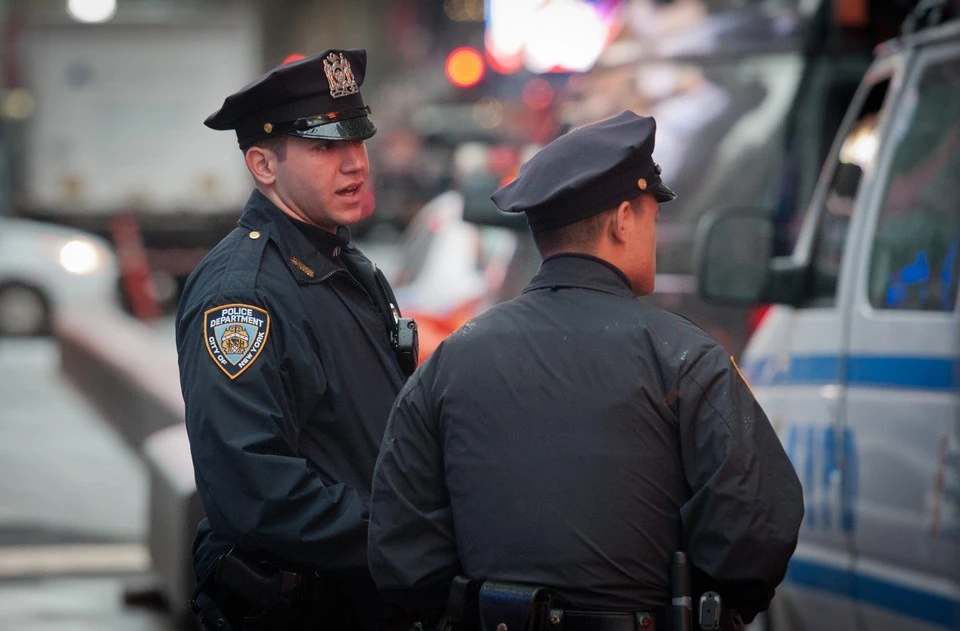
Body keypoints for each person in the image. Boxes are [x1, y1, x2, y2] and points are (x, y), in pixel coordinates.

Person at [367, 111, 803, 631]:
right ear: (623, 220)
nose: (653, 237)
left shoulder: (451, 359)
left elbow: (399, 544)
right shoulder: (684, 356)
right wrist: (697, 605)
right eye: (650, 218)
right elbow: (759, 525)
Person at [177, 49, 416, 631]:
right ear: (263, 165)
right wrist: (407, 538)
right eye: (326, 147)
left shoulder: (345, 264)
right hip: (300, 607)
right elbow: (255, 488)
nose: (355, 164)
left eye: (357, 142)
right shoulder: (242, 296)